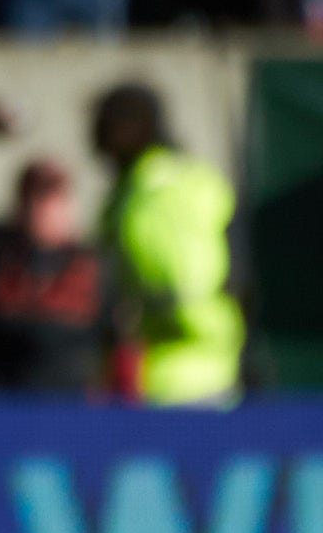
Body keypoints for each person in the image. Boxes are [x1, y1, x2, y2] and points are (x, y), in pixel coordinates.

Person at [90, 82, 243, 405]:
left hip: (157, 376)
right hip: (222, 365)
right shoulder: (202, 177)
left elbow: (160, 281)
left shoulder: (135, 196)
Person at [0, 159, 112, 396]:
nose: (44, 209)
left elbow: (121, 345)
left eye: (53, 200)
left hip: (62, 414)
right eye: (36, 199)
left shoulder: (96, 267)